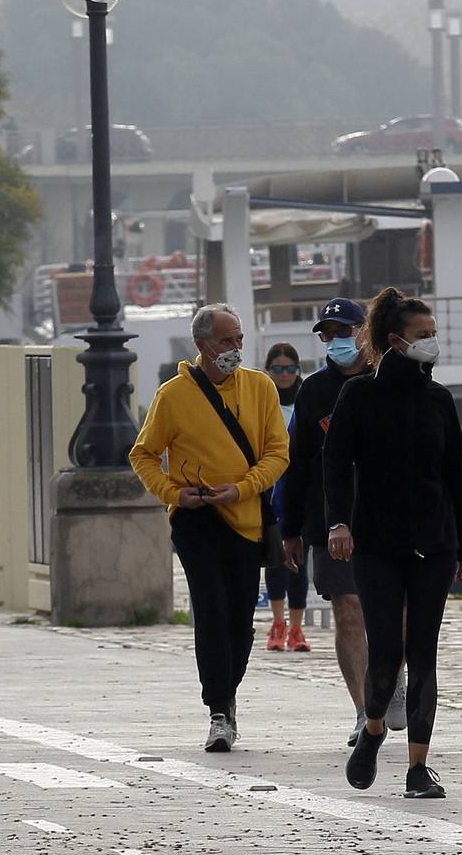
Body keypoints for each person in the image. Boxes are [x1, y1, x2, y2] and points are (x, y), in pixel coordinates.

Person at [326, 287, 462, 799]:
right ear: (394, 341)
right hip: (377, 544)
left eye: (434, 335)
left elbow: (455, 476)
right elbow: (334, 466)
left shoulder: (439, 399)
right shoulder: (359, 395)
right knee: (387, 652)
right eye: (423, 336)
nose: (432, 343)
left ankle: (418, 767)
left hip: (433, 542)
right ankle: (372, 730)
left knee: (424, 654)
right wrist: (337, 524)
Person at [129, 303, 289, 753]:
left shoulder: (260, 388)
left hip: (246, 519)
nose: (235, 348)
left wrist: (241, 489)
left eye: (239, 339)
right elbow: (143, 454)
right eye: (225, 341)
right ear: (201, 344)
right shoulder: (173, 395)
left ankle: (228, 693)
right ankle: (218, 709)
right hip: (196, 519)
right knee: (211, 610)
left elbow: (278, 453)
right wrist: (175, 494)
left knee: (240, 618)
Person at [280, 297, 410, 746]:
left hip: (392, 517)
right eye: (327, 334)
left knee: (399, 614)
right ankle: (362, 710)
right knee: (348, 610)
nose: (336, 340)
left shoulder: (392, 380)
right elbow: (297, 464)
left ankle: (393, 676)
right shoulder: (314, 392)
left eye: (343, 330)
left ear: (364, 332)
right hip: (332, 521)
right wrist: (290, 527)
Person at [262, 342, 309, 653]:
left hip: (299, 487)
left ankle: (296, 627)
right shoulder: (261, 401)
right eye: (277, 369)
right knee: (275, 559)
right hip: (268, 486)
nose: (284, 375)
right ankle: (277, 623)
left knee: (299, 560)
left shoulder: (307, 400)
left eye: (290, 369)